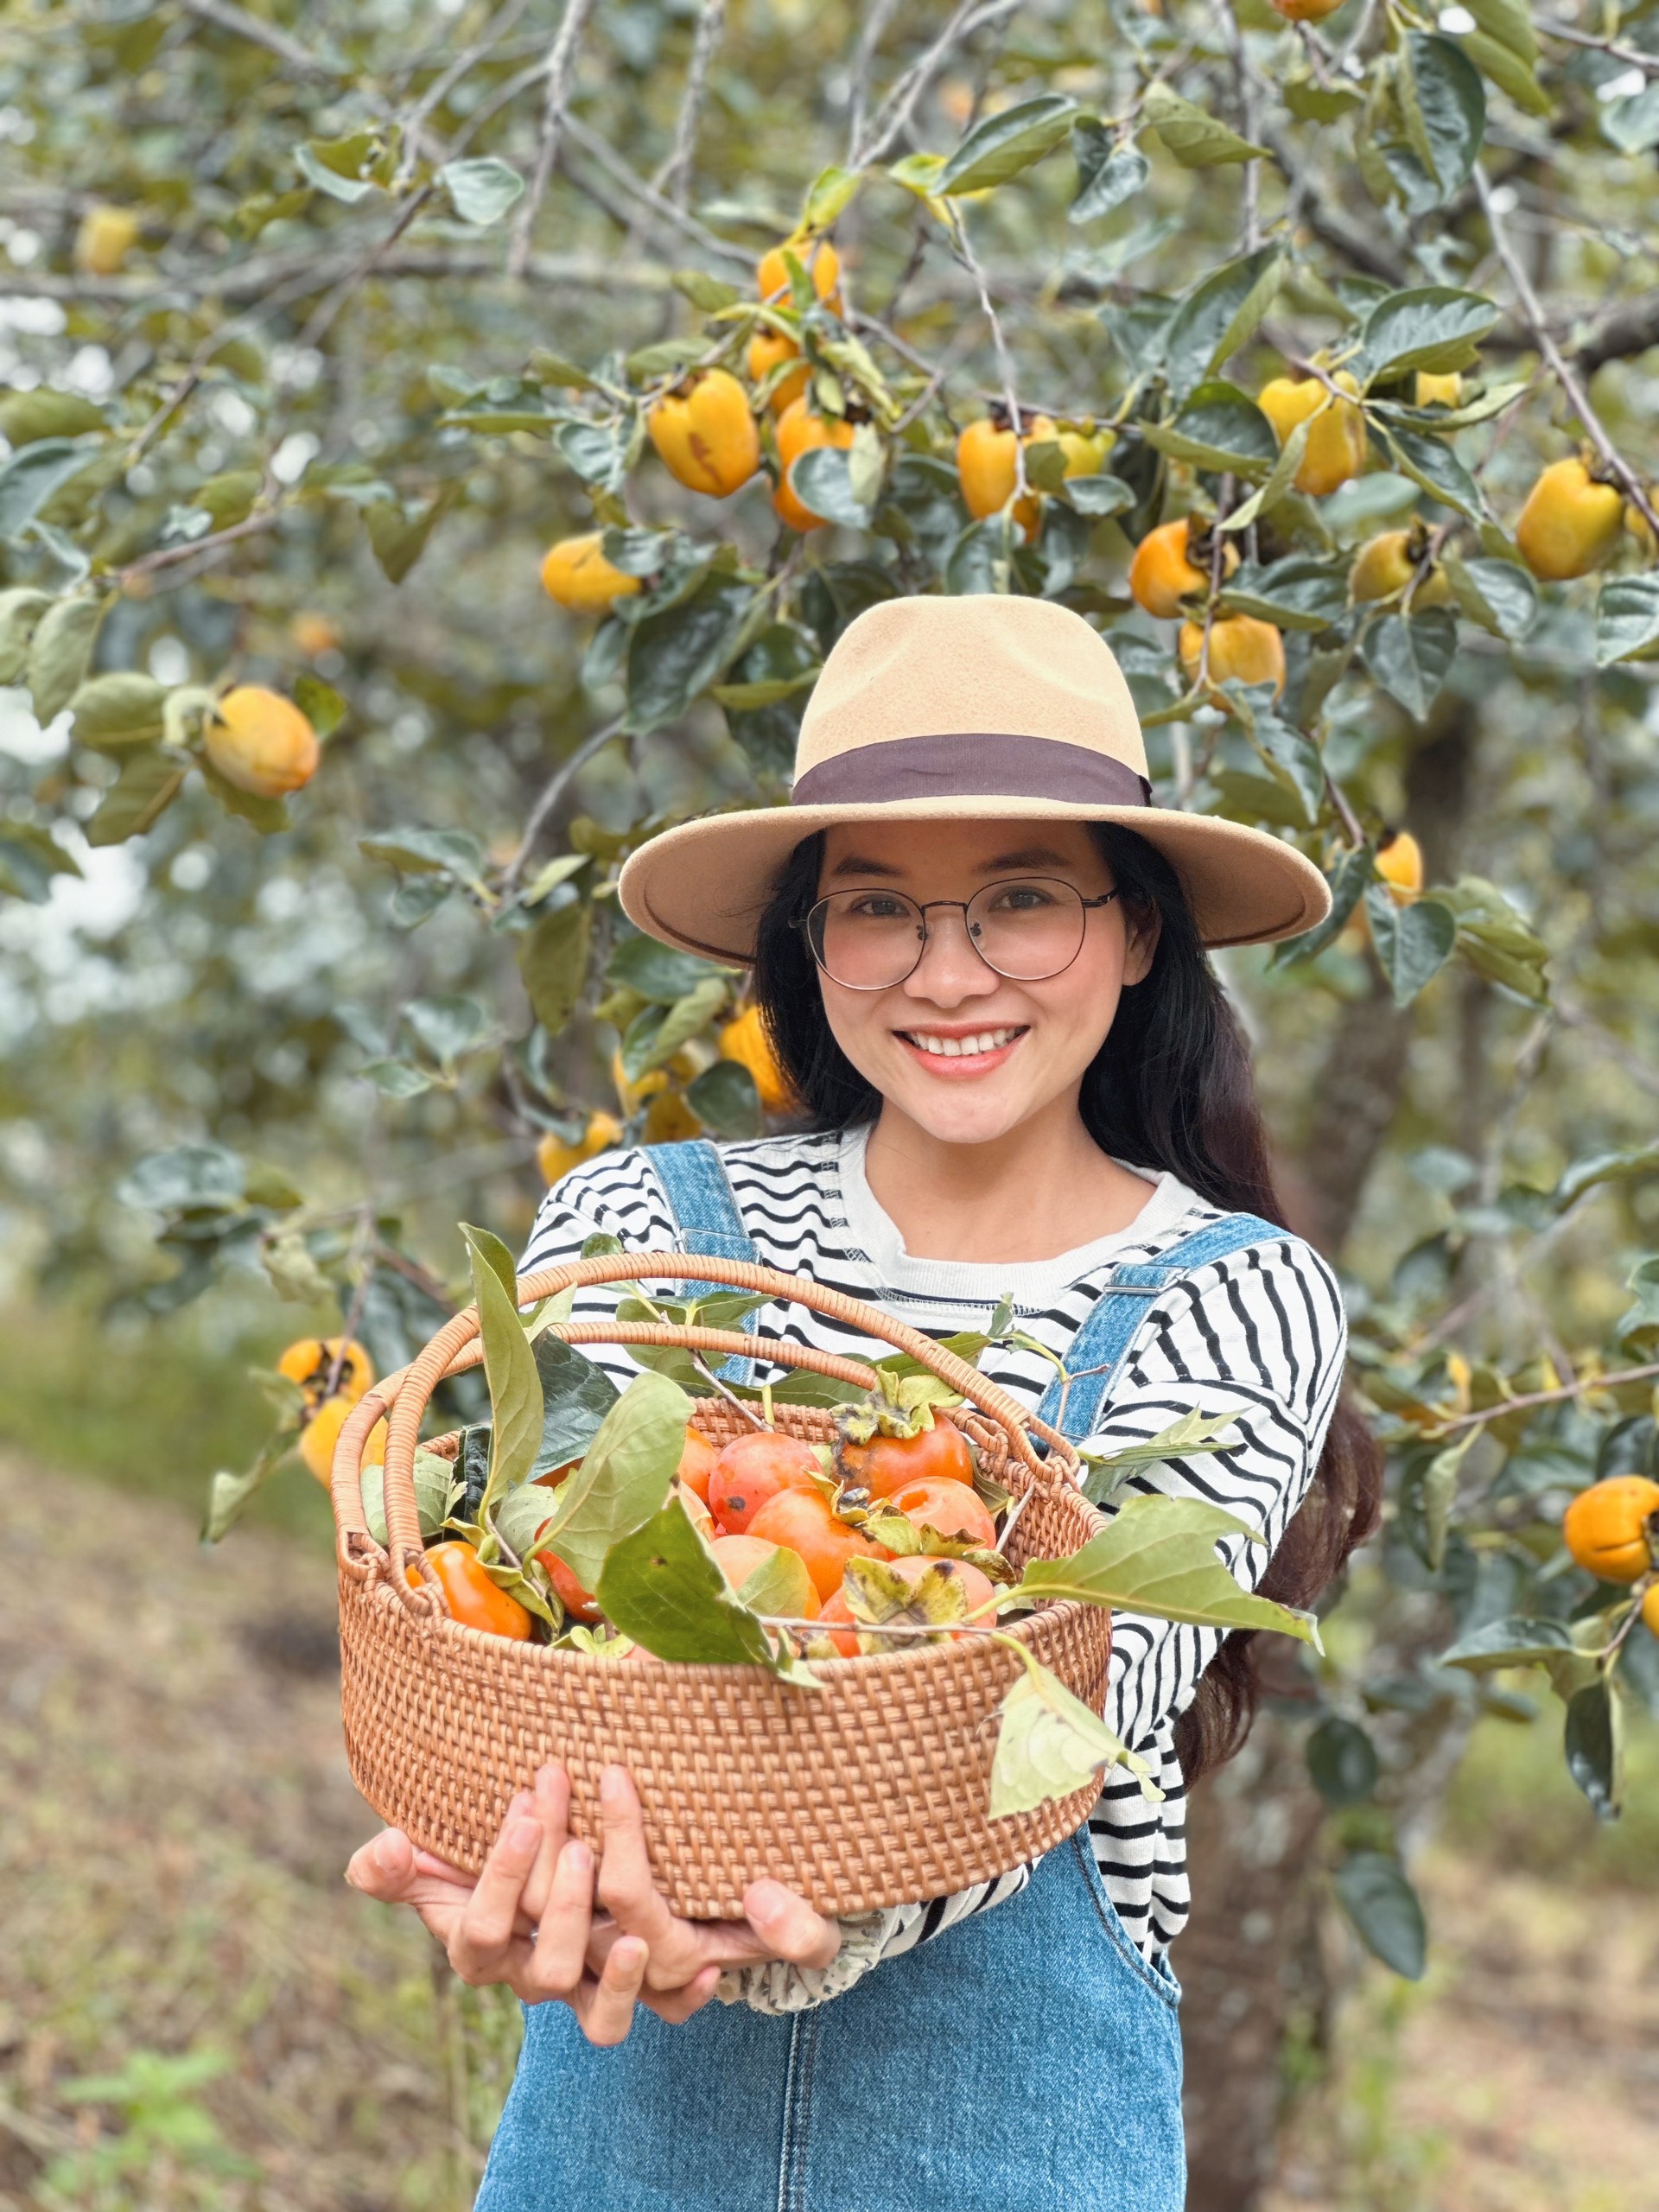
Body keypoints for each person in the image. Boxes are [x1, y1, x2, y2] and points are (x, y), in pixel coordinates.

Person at [347, 595, 1380, 2211]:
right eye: (879, 906)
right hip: (622, 2140)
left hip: (1018, 2146)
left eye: (1022, 901)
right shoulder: (641, 1230)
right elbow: (554, 1626)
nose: (945, 971)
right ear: (807, 944)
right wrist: (521, 1854)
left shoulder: (1233, 1295)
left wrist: (749, 1934)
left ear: (1138, 929)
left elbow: (1071, 1713)